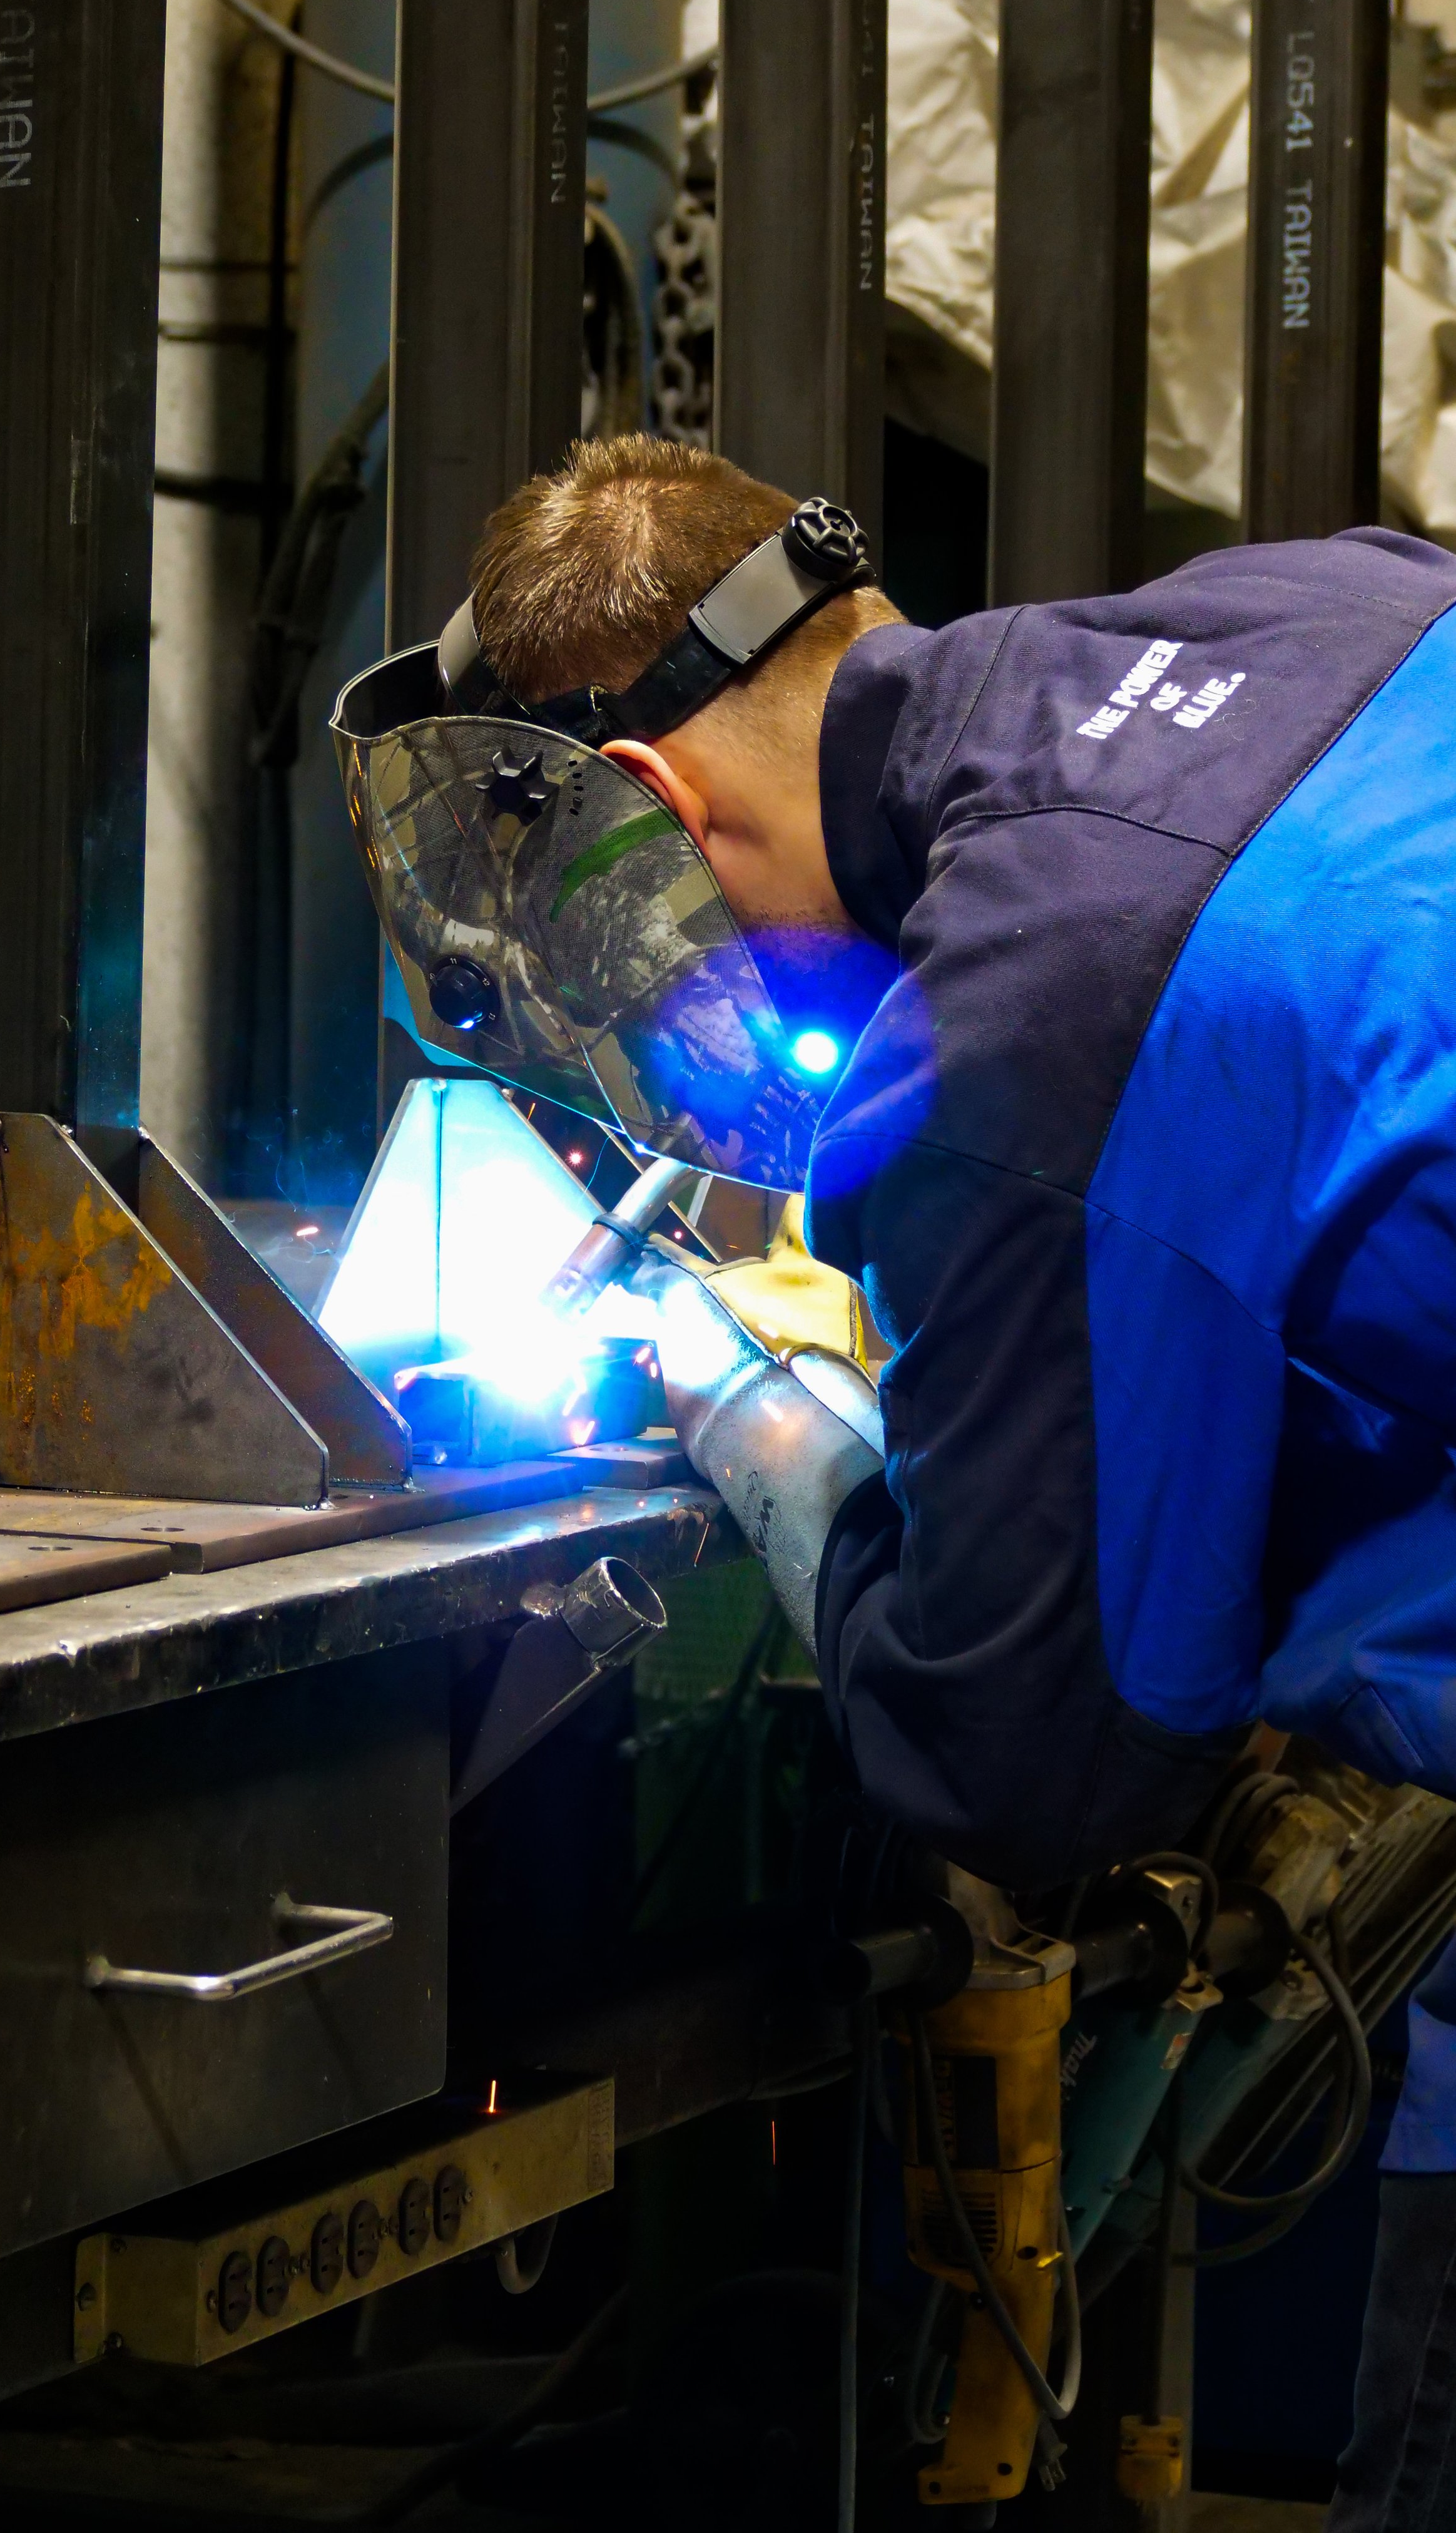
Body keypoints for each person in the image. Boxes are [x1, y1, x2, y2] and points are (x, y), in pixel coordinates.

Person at [341, 432, 1456, 2529]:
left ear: (658, 816)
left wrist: (752, 1416)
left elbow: (1029, 1758)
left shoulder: (1030, 1022)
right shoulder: (1321, 599)